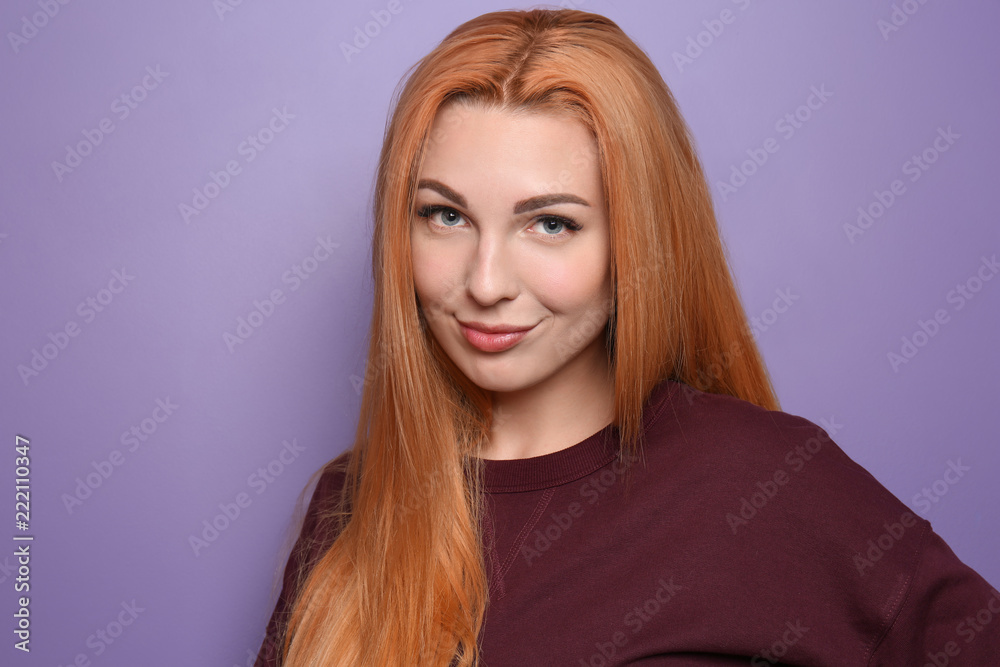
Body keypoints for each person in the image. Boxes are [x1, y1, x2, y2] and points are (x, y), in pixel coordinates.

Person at [254, 8, 999, 666]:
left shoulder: (762, 481)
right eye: (445, 215)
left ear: (635, 243)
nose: (485, 282)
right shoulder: (348, 505)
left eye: (551, 224)